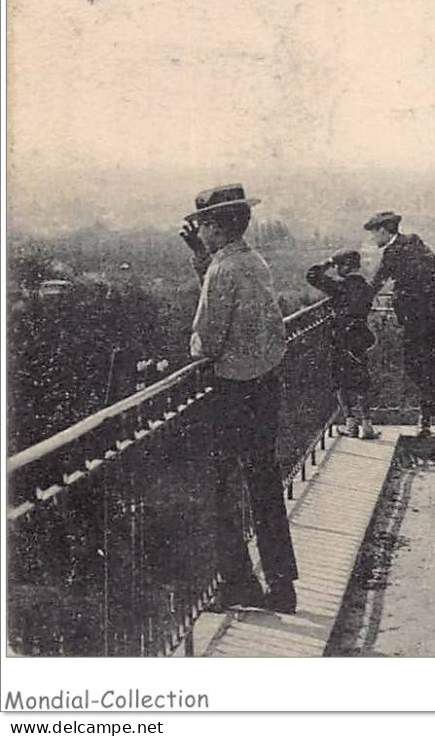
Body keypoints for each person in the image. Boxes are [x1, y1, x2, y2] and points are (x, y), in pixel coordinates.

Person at [179, 183, 298, 615]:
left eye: (203, 225)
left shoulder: (222, 271)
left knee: (219, 489)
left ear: (214, 227)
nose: (201, 232)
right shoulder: (254, 262)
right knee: (265, 485)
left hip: (232, 392)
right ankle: (282, 586)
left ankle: (237, 583)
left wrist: (197, 349)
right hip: (265, 384)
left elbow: (206, 340)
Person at [366, 211, 435, 437]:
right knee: (424, 367)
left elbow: (377, 282)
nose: (373, 239)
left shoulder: (396, 249)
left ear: (383, 230)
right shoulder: (413, 242)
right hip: (431, 316)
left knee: (419, 367)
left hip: (421, 319)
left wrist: (360, 302)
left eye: (373, 233)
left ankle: (426, 420)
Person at [305, 250, 378, 440]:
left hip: (340, 339)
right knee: (362, 380)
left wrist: (329, 261)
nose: (336, 270)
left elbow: (311, 275)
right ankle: (367, 425)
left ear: (345, 267)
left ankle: (350, 423)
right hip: (360, 338)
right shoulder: (367, 288)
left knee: (339, 380)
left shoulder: (339, 287)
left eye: (338, 266)